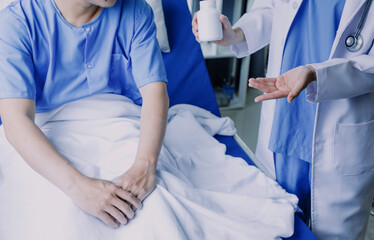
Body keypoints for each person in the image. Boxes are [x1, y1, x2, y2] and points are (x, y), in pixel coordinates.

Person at [192, 0, 374, 239]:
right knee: (276, 224)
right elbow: (270, 9)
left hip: (342, 118)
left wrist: (318, 74)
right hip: (286, 114)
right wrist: (235, 34)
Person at [0, 0, 169, 228]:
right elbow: (16, 120)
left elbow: (154, 92)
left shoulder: (136, 11)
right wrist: (79, 188)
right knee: (61, 213)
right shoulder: (16, 22)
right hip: (43, 130)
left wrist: (145, 166)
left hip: (119, 121)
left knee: (156, 206)